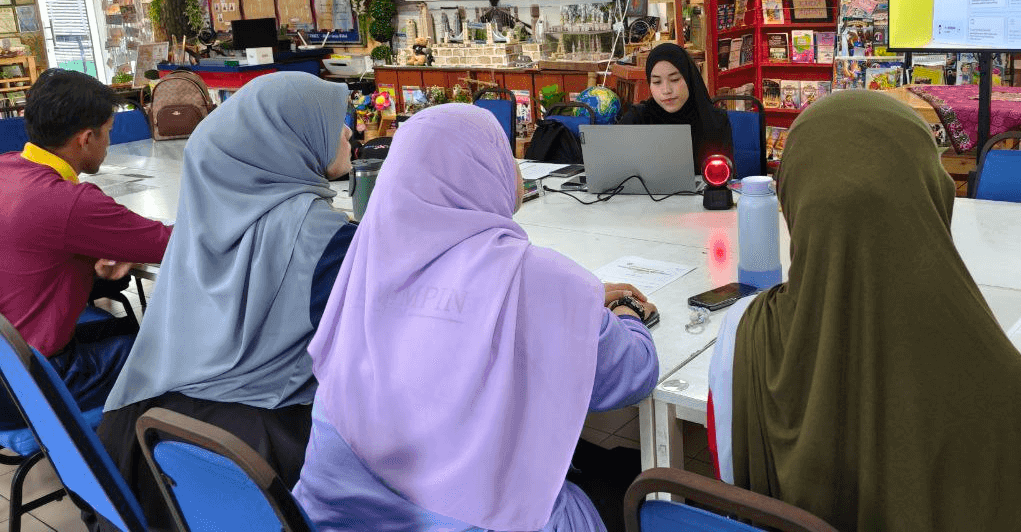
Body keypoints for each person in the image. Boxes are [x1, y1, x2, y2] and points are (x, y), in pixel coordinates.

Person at [294, 104, 660, 532]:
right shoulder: (539, 279)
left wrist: (571, 305)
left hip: (334, 518)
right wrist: (621, 313)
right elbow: (631, 375)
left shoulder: (369, 259)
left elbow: (445, 314)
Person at [706, 91, 1021, 531]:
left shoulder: (742, 341)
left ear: (795, 203)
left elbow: (730, 489)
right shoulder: (1006, 389)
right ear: (933, 198)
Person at [95, 72, 356, 531]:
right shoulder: (326, 238)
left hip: (152, 440)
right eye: (333, 122)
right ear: (289, 140)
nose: (349, 131)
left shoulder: (202, 220)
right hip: (262, 452)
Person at [0, 69, 170, 429]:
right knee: (164, 356)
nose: (108, 143)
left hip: (7, 363)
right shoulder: (70, 202)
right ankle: (142, 465)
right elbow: (171, 243)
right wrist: (126, 243)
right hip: (30, 384)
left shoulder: (7, 168)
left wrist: (105, 249)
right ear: (86, 138)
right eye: (108, 133)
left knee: (123, 332)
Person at [619, 43, 734, 171]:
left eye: (674, 79)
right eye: (657, 82)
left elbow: (725, 179)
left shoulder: (715, 121)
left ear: (689, 78)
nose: (666, 90)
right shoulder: (637, 119)